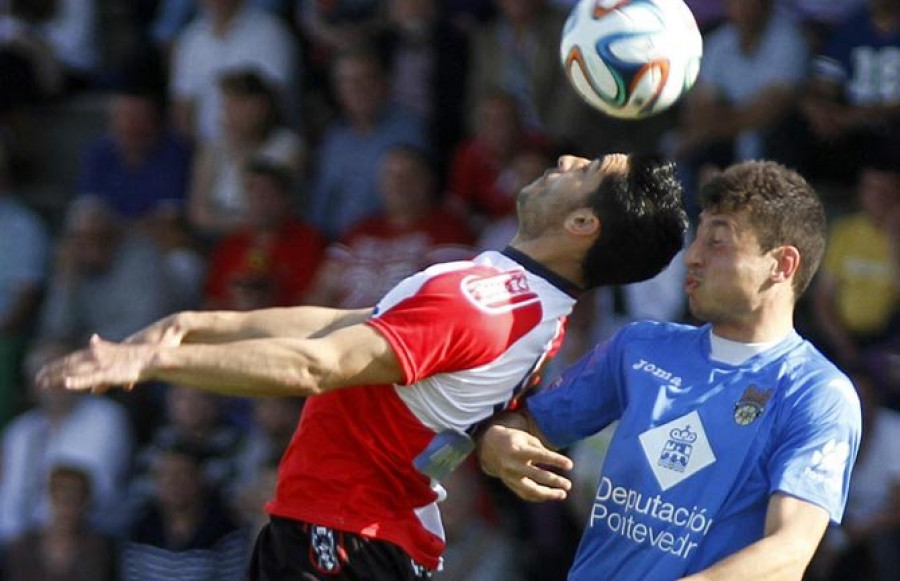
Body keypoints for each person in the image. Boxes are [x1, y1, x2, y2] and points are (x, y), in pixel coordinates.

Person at [37, 152, 688, 580]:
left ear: (580, 221)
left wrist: (153, 362)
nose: (568, 159)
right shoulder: (519, 299)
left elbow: (316, 365)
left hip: (347, 538)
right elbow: (340, 325)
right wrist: (198, 324)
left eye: (590, 167)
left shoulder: (484, 303)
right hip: (349, 532)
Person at [476, 160, 863, 581]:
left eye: (718, 241)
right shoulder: (639, 347)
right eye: (697, 238)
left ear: (782, 265)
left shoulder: (816, 393)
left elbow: (788, 552)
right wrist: (498, 443)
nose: (692, 257)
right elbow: (528, 424)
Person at [305, 145, 473, 309]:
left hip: (400, 329)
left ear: (429, 180)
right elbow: (322, 290)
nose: (398, 183)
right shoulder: (360, 229)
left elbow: (446, 302)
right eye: (390, 175)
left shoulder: (449, 230)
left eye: (409, 175)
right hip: (342, 327)